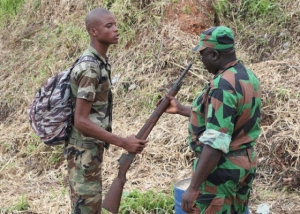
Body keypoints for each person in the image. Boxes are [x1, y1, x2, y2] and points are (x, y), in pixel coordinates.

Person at [163, 26, 261, 213]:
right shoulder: (247, 77)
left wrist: (193, 187)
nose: (201, 60)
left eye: (203, 54)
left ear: (214, 54)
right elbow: (229, 116)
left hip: (221, 171)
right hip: (244, 165)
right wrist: (182, 109)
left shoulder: (221, 86)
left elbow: (216, 142)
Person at [64, 8, 147, 214]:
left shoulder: (100, 62)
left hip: (90, 149)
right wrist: (122, 142)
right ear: (93, 31)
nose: (116, 30)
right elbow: (81, 120)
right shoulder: (90, 68)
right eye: (108, 26)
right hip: (83, 152)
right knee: (87, 209)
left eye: (115, 25)